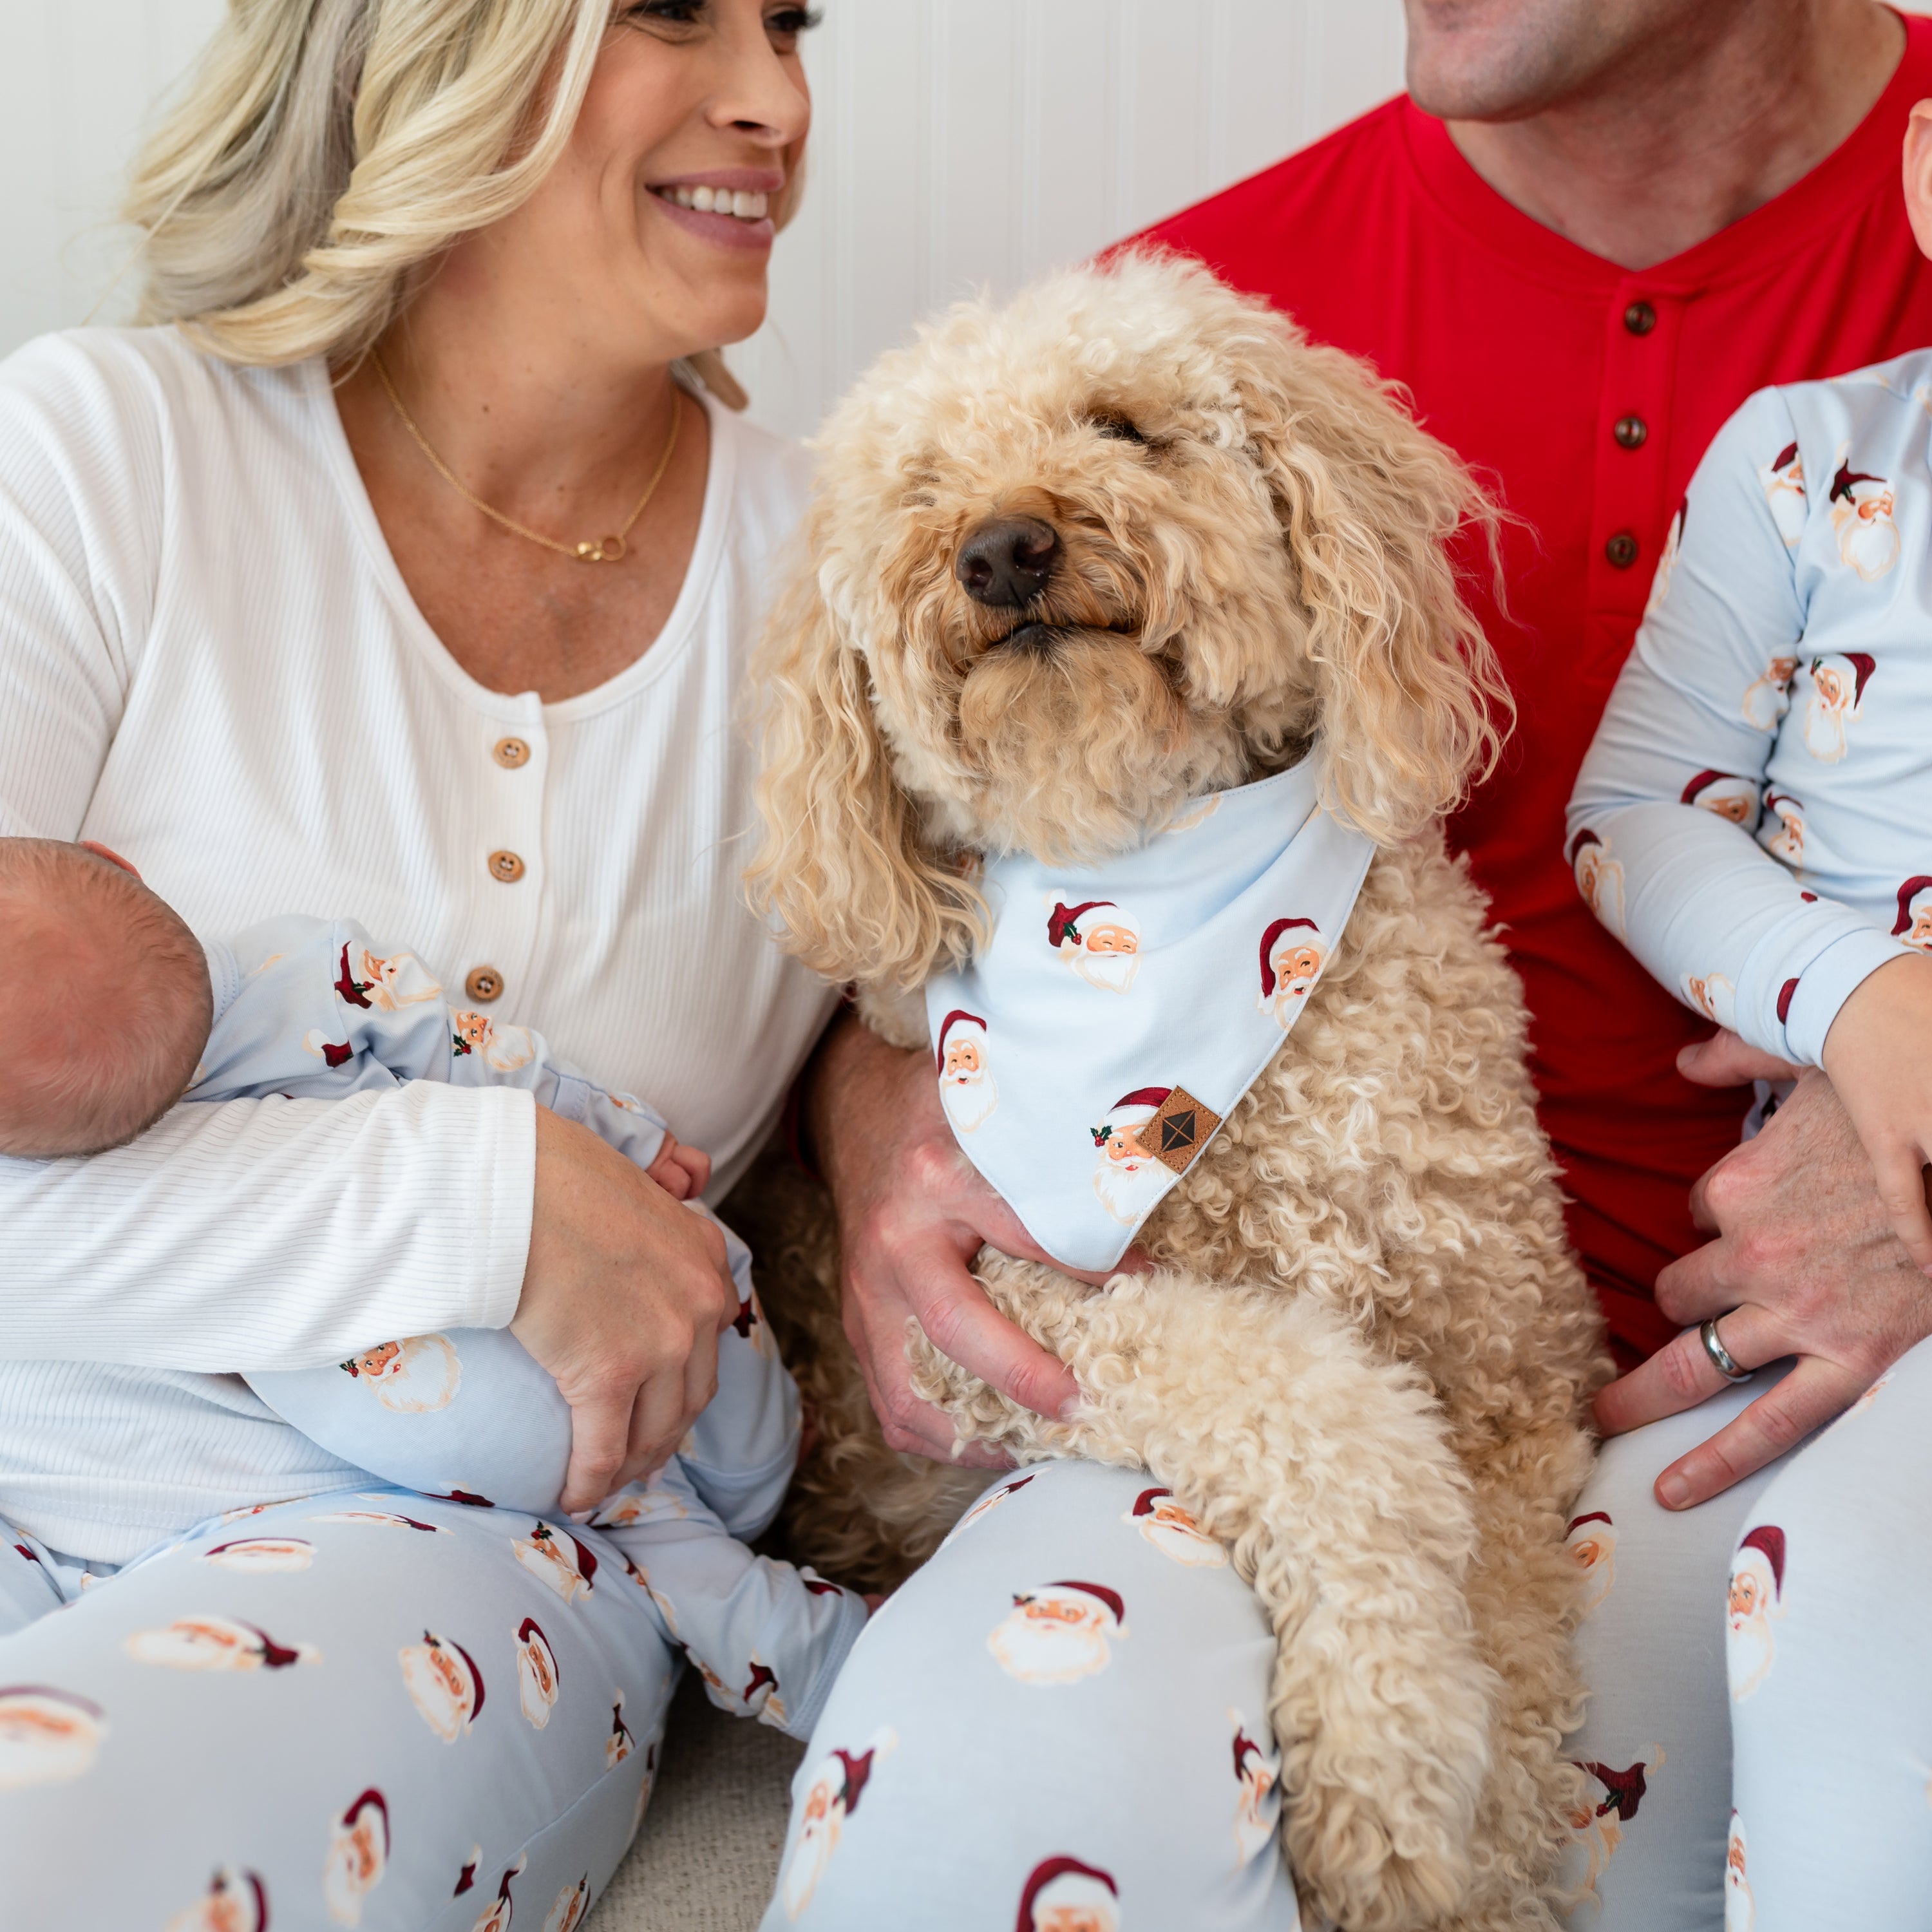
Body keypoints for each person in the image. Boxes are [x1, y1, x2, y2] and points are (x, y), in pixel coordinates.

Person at [792, 2, 1932, 1927]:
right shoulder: (1193, 308)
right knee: (987, 1803)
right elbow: (941, 885)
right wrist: (883, 1119)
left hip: (1788, 1422)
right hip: (1229, 1387)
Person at [0, 1, 831, 1921]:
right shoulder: (106, 455)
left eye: (796, 25)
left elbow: (994, 1016)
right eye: (671, 13)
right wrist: (486, 1200)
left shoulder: (861, 577)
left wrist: (884, 1127)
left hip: (455, 1559)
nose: (775, 98)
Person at [0, 835, 869, 1744]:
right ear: (120, 861)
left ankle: (827, 1659)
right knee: (692, 1255)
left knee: (657, 1536)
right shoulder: (302, 967)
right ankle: (767, 1452)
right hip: (676, 1333)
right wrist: (631, 1136)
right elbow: (483, 1054)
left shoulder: (127, 1194)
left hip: (460, 1424)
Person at [1557, 93, 1932, 1922]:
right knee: (1578, 1649)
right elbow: (1631, 817)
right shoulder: (1808, 466)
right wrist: (1864, 1001)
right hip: (1794, 1304)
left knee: (1854, 1616)